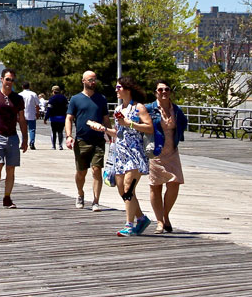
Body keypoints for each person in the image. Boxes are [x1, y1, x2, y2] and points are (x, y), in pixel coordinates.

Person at [107, 75, 154, 236]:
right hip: (121, 153)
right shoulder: (118, 110)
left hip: (135, 153)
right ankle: (141, 219)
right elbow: (118, 132)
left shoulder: (139, 108)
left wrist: (131, 124)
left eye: (119, 87)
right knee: (122, 189)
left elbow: (149, 128)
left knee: (128, 188)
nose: (116, 90)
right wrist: (103, 129)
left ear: (127, 89)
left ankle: (129, 224)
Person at [0, 68, 29, 208]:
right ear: (1, 79)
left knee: (11, 169)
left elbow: (21, 120)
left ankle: (7, 198)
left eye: (12, 80)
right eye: (8, 79)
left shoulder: (18, 99)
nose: (10, 82)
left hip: (13, 137)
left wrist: (25, 138)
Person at [65, 71, 111, 211]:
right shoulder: (75, 99)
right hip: (82, 141)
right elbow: (69, 118)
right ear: (83, 81)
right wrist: (69, 135)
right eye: (90, 79)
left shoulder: (101, 99)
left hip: (98, 140)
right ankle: (80, 194)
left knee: (97, 170)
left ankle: (96, 201)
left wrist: (110, 134)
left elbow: (106, 118)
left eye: (94, 79)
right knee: (81, 172)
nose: (93, 82)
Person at [146, 81, 187, 233]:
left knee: (175, 182)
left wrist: (178, 136)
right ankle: (160, 222)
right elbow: (140, 123)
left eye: (166, 89)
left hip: (172, 151)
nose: (164, 92)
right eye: (160, 89)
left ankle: (165, 214)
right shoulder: (149, 108)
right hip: (155, 152)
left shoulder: (176, 110)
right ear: (155, 92)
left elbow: (183, 123)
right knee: (155, 186)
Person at [20, 82, 40, 150]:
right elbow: (37, 105)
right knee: (32, 129)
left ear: (22, 86)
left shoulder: (20, 94)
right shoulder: (33, 94)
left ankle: (23, 142)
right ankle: (32, 142)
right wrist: (37, 113)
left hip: (22, 114)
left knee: (23, 129)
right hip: (31, 113)